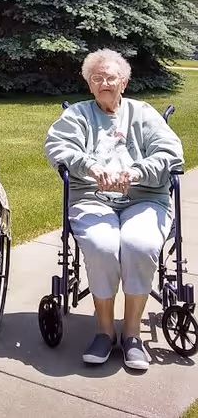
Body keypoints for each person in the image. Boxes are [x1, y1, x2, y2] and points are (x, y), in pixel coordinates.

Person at [45, 49, 183, 372]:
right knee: (102, 245)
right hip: (92, 198)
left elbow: (171, 152)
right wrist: (91, 167)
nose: (104, 83)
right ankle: (105, 330)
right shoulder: (78, 115)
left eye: (111, 77)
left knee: (140, 243)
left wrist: (137, 172)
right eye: (97, 78)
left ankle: (132, 333)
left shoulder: (143, 113)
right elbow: (57, 147)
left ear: (124, 81)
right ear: (89, 84)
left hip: (144, 197)